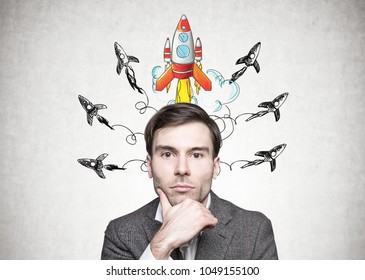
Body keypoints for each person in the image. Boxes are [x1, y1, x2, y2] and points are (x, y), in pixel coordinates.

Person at [101, 103, 278, 260]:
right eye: (168, 154)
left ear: (215, 166)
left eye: (196, 155)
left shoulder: (254, 229)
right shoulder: (121, 233)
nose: (182, 168)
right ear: (149, 165)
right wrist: (160, 246)